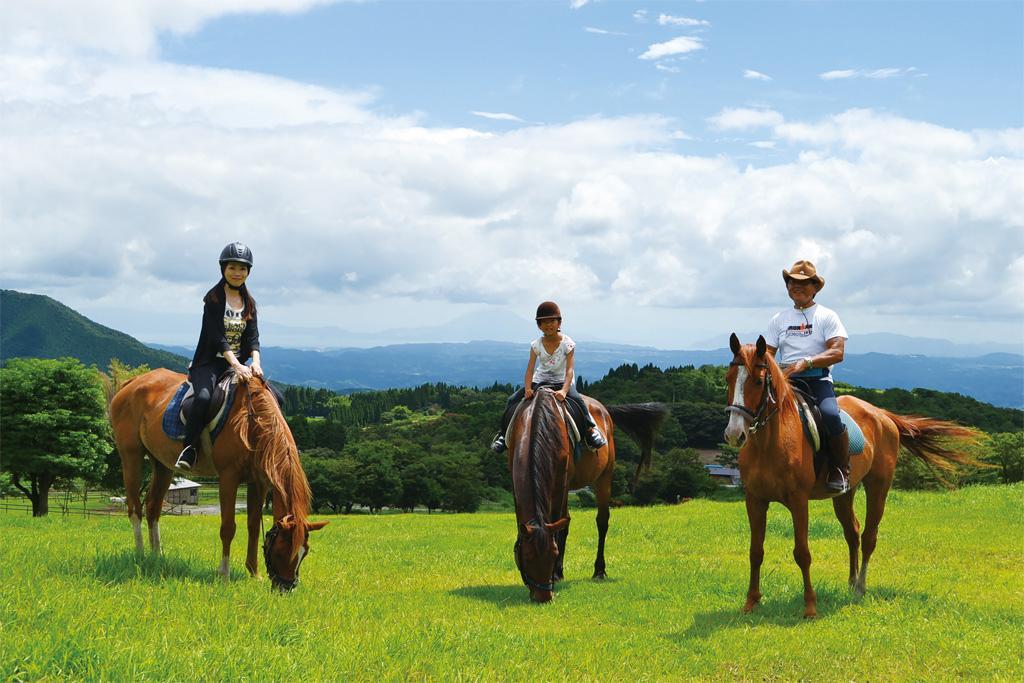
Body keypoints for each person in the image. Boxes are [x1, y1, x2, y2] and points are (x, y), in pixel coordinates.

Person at [175, 242, 263, 470]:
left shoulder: (249, 303)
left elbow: (252, 337)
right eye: (233, 267)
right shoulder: (213, 299)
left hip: (239, 366)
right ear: (223, 268)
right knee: (204, 398)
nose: (237, 273)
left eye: (243, 268)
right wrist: (235, 364)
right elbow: (217, 337)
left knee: (274, 396)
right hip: (210, 363)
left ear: (248, 272)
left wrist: (256, 363)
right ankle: (189, 448)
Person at [764, 260, 850, 493]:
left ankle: (840, 468)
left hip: (818, 380)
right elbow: (768, 354)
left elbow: (837, 351)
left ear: (815, 287)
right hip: (786, 381)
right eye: (792, 281)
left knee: (831, 415)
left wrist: (806, 362)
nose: (796, 286)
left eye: (803, 282)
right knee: (757, 411)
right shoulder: (778, 319)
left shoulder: (827, 316)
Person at [490, 301, 607, 453]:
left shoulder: (568, 344)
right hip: (540, 380)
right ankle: (503, 434)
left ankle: (590, 429)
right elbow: (530, 369)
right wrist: (527, 388)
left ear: (559, 322)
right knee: (512, 399)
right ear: (539, 325)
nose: (548, 325)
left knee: (578, 400)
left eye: (552, 321)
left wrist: (565, 391)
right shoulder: (536, 345)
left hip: (561, 380)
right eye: (544, 322)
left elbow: (570, 370)